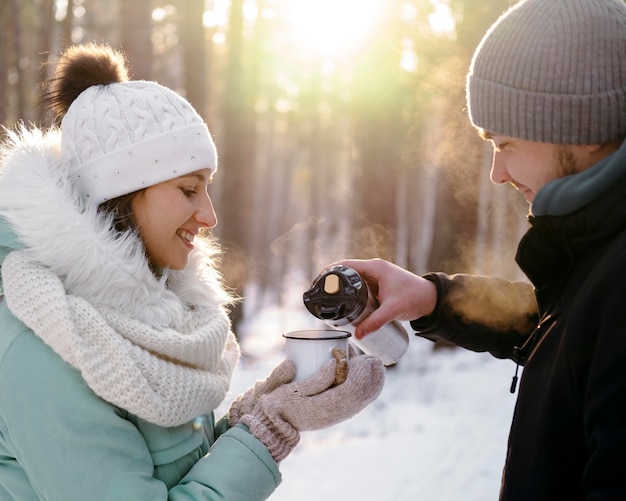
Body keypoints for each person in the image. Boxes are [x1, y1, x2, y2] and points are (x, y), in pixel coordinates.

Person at [0, 43, 385, 500]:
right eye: (188, 190)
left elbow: (176, 470)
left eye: (207, 189)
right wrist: (269, 430)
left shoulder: (150, 312)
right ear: (120, 191)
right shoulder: (41, 345)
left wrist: (256, 414)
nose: (208, 215)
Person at [330, 0, 626, 499]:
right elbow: (559, 326)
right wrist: (433, 299)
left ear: (581, 127)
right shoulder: (600, 251)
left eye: (505, 143)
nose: (497, 173)